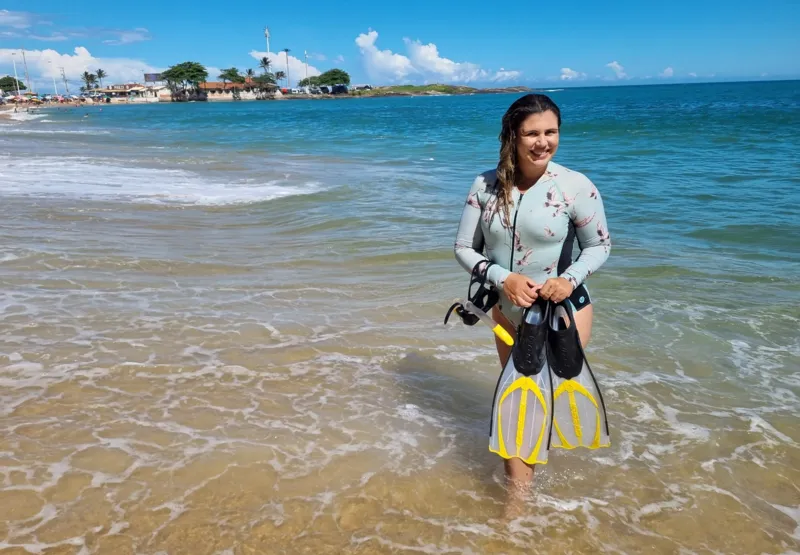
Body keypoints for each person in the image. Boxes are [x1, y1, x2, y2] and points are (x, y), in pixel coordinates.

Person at [453, 93, 611, 496]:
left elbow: (600, 246)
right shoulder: (485, 185)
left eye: (551, 132)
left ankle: (518, 507)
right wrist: (503, 278)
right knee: (519, 404)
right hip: (506, 313)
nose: (543, 142)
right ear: (512, 135)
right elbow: (463, 249)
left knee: (533, 404)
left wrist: (569, 279)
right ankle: (522, 505)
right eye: (532, 133)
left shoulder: (576, 186)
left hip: (563, 312)